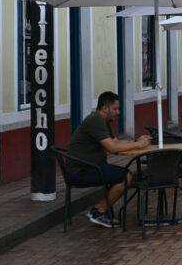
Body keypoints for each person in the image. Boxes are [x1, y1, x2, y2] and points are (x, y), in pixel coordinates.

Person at [65, 91, 152, 228]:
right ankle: (98, 211)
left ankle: (102, 210)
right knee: (125, 177)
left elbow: (116, 142)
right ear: (105, 108)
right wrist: (139, 145)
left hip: (91, 168)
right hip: (79, 172)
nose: (118, 112)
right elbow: (113, 148)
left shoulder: (102, 121)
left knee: (122, 174)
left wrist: (136, 141)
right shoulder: (95, 120)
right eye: (115, 109)